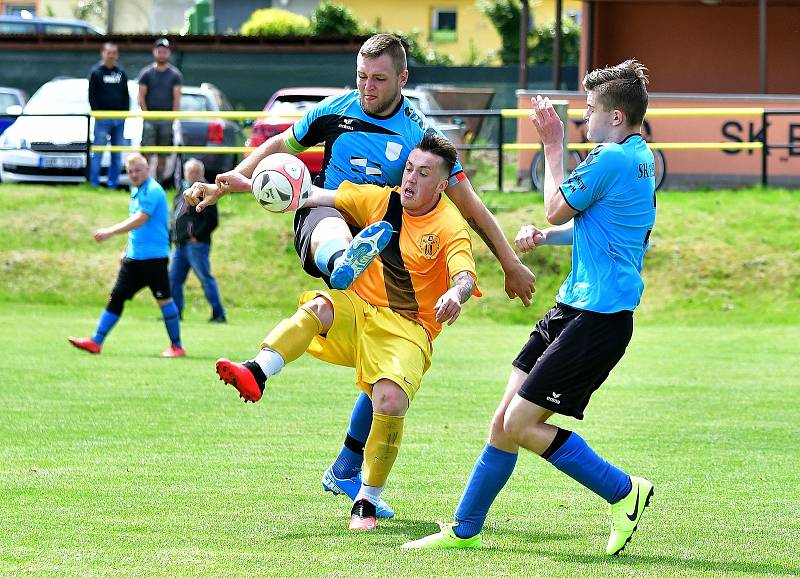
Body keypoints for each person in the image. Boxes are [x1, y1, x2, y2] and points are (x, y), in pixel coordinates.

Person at [188, 33, 534, 519]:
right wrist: (230, 183)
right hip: (325, 213)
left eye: (379, 79)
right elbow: (276, 144)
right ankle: (339, 263)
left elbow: (469, 205)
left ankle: (348, 468)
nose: (368, 88)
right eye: (361, 78)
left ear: (402, 79)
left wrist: (511, 262)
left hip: (385, 243)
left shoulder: (419, 138)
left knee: (386, 360)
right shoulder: (335, 110)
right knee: (335, 242)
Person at [402, 60, 657, 556]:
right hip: (576, 305)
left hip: (598, 318)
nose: (585, 120)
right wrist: (553, 237)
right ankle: (464, 529)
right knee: (503, 420)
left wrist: (552, 143)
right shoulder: (639, 156)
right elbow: (607, 230)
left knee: (521, 424)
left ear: (618, 118)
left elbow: (556, 205)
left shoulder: (611, 157)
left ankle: (625, 492)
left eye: (591, 111)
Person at [190, 133, 480, 531]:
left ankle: (367, 499)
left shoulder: (450, 225)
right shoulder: (383, 199)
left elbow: (465, 273)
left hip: (409, 327)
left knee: (390, 399)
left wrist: (456, 292)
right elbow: (310, 194)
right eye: (409, 168)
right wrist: (248, 182)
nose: (410, 179)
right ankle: (256, 371)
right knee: (319, 306)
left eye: (423, 173)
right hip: (360, 308)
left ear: (442, 185)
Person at [68, 154, 186, 358]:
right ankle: (96, 341)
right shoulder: (136, 190)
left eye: (137, 170)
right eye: (130, 172)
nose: (134, 175)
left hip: (154, 259)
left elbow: (140, 219)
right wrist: (126, 248)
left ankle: (177, 346)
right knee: (116, 297)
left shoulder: (153, 190)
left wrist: (110, 232)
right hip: (134, 258)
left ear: (147, 169)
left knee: (164, 300)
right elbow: (138, 228)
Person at [169, 158, 226, 323]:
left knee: (205, 279)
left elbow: (212, 220)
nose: (192, 175)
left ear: (201, 173)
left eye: (195, 172)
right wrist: (173, 235)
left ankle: (218, 313)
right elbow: (176, 215)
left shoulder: (206, 191)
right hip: (180, 245)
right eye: (189, 172)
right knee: (174, 280)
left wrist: (196, 236)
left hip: (196, 245)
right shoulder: (183, 189)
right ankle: (175, 314)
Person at [137, 37, 182, 186]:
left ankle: (159, 184)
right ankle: (143, 183)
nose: (161, 54)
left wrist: (173, 118)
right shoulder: (146, 73)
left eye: (164, 51)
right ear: (154, 52)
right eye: (159, 51)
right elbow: (141, 96)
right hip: (150, 119)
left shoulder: (175, 74)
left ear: (168, 53)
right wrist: (147, 115)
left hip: (166, 120)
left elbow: (176, 98)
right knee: (147, 154)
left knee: (163, 155)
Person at [88, 41, 129, 189]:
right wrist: (98, 114)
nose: (111, 55)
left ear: (117, 55)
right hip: (102, 119)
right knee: (98, 152)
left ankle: (113, 184)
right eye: (108, 52)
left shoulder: (121, 72)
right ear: (103, 53)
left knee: (117, 154)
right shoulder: (96, 72)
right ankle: (93, 183)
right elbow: (92, 95)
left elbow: (126, 95)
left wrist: (125, 114)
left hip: (119, 119)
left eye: (114, 53)